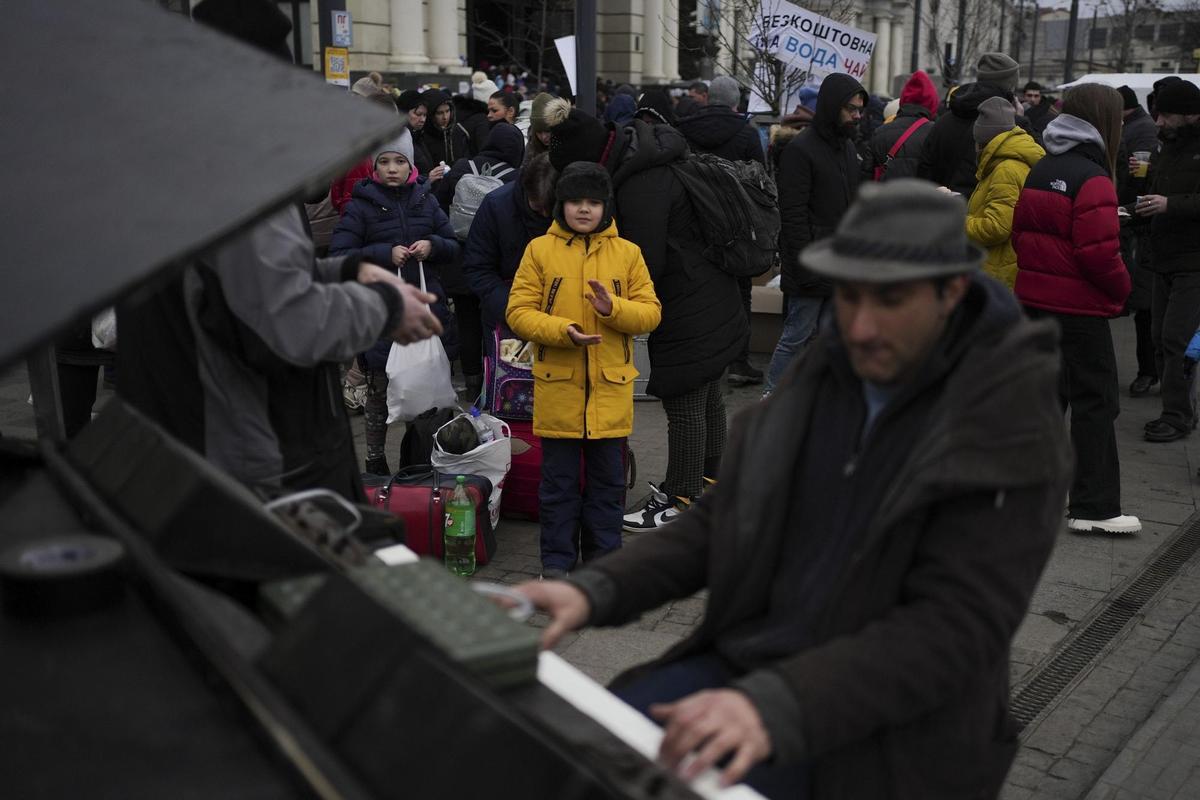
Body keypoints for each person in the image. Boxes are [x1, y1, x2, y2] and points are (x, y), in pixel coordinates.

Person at [515, 179, 1073, 800]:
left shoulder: (1007, 422)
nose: (860, 327)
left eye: (890, 301)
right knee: (593, 756)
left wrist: (774, 706)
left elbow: (954, 628)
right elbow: (723, 514)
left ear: (953, 292)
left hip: (893, 722)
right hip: (755, 661)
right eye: (849, 297)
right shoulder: (830, 371)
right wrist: (596, 590)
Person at [118, 0, 443, 501]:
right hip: (248, 463)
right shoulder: (235, 176)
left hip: (185, 438)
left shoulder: (171, 162)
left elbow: (243, 280)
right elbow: (287, 324)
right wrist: (386, 306)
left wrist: (351, 269)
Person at [539, 99, 747, 531]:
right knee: (708, 398)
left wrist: (604, 295)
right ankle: (711, 484)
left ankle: (680, 496)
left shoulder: (641, 183)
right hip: (713, 292)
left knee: (686, 399)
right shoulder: (642, 155)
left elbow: (642, 262)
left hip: (689, 300)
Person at [506, 163, 662, 577]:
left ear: (605, 207)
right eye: (576, 201)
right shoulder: (540, 250)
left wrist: (614, 310)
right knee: (557, 488)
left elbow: (650, 313)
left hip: (610, 394)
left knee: (608, 488)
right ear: (561, 204)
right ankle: (556, 565)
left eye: (593, 202)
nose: (584, 210)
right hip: (559, 391)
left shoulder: (627, 253)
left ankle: (603, 566)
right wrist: (562, 331)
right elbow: (518, 312)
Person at [1012, 83, 1141, 534]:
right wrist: (1124, 289)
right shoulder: (1094, 177)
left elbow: (1021, 235)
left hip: (1035, 302)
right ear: (1105, 122)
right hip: (1079, 310)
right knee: (1096, 403)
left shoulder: (1042, 166)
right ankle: (1095, 506)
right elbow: (1099, 254)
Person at [329, 130, 461, 476]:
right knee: (378, 393)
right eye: (384, 161)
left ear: (411, 165)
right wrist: (383, 255)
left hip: (422, 312)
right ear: (374, 167)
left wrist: (432, 245)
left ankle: (416, 460)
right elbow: (341, 256)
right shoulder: (361, 206)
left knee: (421, 389)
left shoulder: (426, 201)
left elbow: (452, 245)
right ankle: (374, 461)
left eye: (399, 161)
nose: (391, 169)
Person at [763, 73, 867, 398]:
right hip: (810, 264)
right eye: (851, 108)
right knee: (796, 336)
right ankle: (772, 398)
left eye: (860, 109)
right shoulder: (801, 150)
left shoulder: (848, 149)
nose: (856, 115)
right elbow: (792, 215)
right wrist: (807, 264)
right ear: (833, 106)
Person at [676, 74, 767, 388]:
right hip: (736, 227)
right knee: (740, 294)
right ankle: (738, 360)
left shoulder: (683, 129)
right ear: (735, 102)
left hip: (694, 224)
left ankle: (702, 358)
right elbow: (760, 181)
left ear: (707, 98)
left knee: (698, 293)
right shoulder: (746, 133)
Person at [433, 121, 526, 400]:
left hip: (459, 260)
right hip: (495, 264)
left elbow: (437, 204)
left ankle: (471, 381)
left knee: (466, 321)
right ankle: (494, 381)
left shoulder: (461, 168)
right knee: (495, 323)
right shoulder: (515, 178)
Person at [1133, 79, 1200, 442]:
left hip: (1193, 262)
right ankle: (1176, 406)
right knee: (1160, 337)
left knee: (1178, 340)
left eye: (1166, 115)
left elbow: (1173, 199)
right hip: (1163, 256)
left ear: (1191, 115)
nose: (1157, 121)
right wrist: (1132, 209)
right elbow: (1153, 193)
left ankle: (1178, 416)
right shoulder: (1166, 146)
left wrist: (1169, 204)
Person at [463, 153, 557, 349]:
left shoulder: (570, 211)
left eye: (551, 209)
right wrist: (514, 308)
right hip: (505, 314)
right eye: (538, 209)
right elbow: (478, 268)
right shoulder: (496, 205)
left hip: (558, 318)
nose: (545, 216)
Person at [917, 52, 1028, 196]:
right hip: (985, 214)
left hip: (941, 210)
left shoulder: (943, 121)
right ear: (1010, 86)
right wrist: (1019, 123)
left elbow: (924, 171)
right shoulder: (1013, 125)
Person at [966, 97, 1044, 290]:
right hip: (1003, 266)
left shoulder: (1005, 169)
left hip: (998, 272)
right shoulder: (1008, 161)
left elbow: (997, 227)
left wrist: (958, 222)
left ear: (984, 141)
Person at [1116, 84, 1161, 397]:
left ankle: (1162, 376)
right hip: (1147, 229)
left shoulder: (1144, 130)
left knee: (1155, 312)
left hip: (1161, 234)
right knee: (1146, 309)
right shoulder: (1151, 131)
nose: (1160, 121)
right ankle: (1151, 371)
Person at [863, 70, 939, 182]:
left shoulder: (879, 132)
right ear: (932, 104)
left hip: (885, 197)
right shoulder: (936, 134)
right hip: (923, 198)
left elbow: (865, 178)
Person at [421, 88, 471, 177]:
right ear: (430, 115)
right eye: (439, 113)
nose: (445, 117)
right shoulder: (422, 137)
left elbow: (466, 160)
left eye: (447, 111)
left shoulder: (458, 132)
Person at [397, 88, 435, 177]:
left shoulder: (418, 135)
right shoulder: (399, 139)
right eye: (418, 114)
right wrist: (428, 178)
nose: (423, 120)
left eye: (425, 115)